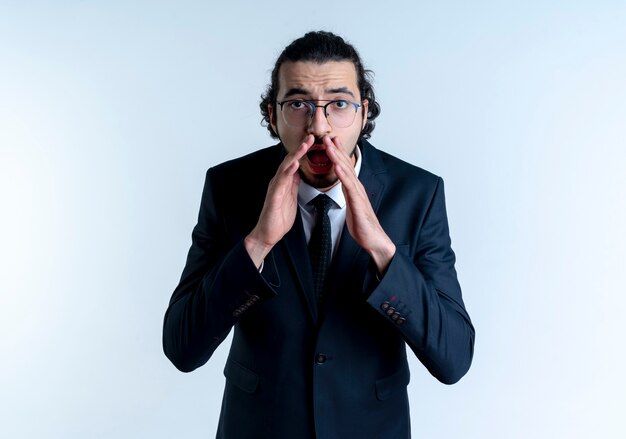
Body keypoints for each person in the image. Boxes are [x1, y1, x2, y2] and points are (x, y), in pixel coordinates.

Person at [163, 31, 474, 438]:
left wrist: (383, 251)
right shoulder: (229, 186)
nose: (319, 125)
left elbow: (453, 358)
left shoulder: (418, 193)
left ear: (364, 113)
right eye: (298, 104)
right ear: (272, 115)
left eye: (339, 104)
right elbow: (183, 348)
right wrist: (258, 243)